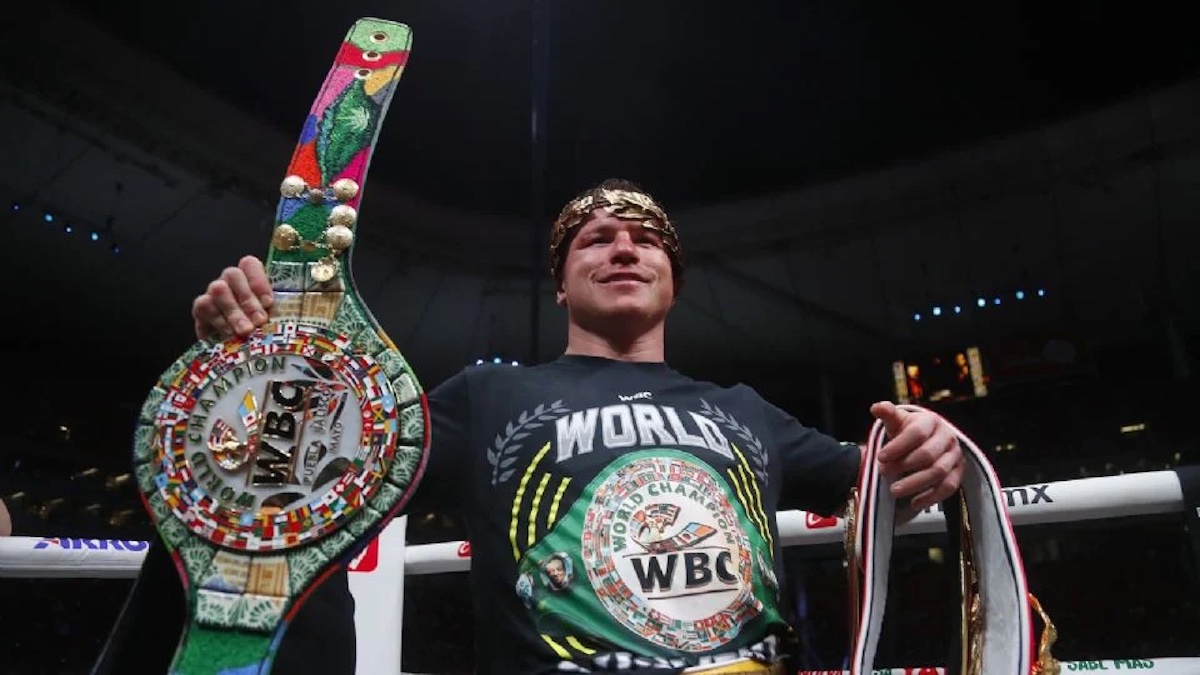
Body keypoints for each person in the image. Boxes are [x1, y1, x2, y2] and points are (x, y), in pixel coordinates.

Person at [99, 179, 964, 675]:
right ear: (561, 282)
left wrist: (933, 441)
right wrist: (250, 368)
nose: (622, 248)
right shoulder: (490, 395)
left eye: (645, 239)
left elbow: (891, 475)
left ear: (672, 276)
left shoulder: (745, 409)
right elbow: (303, 486)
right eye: (596, 238)